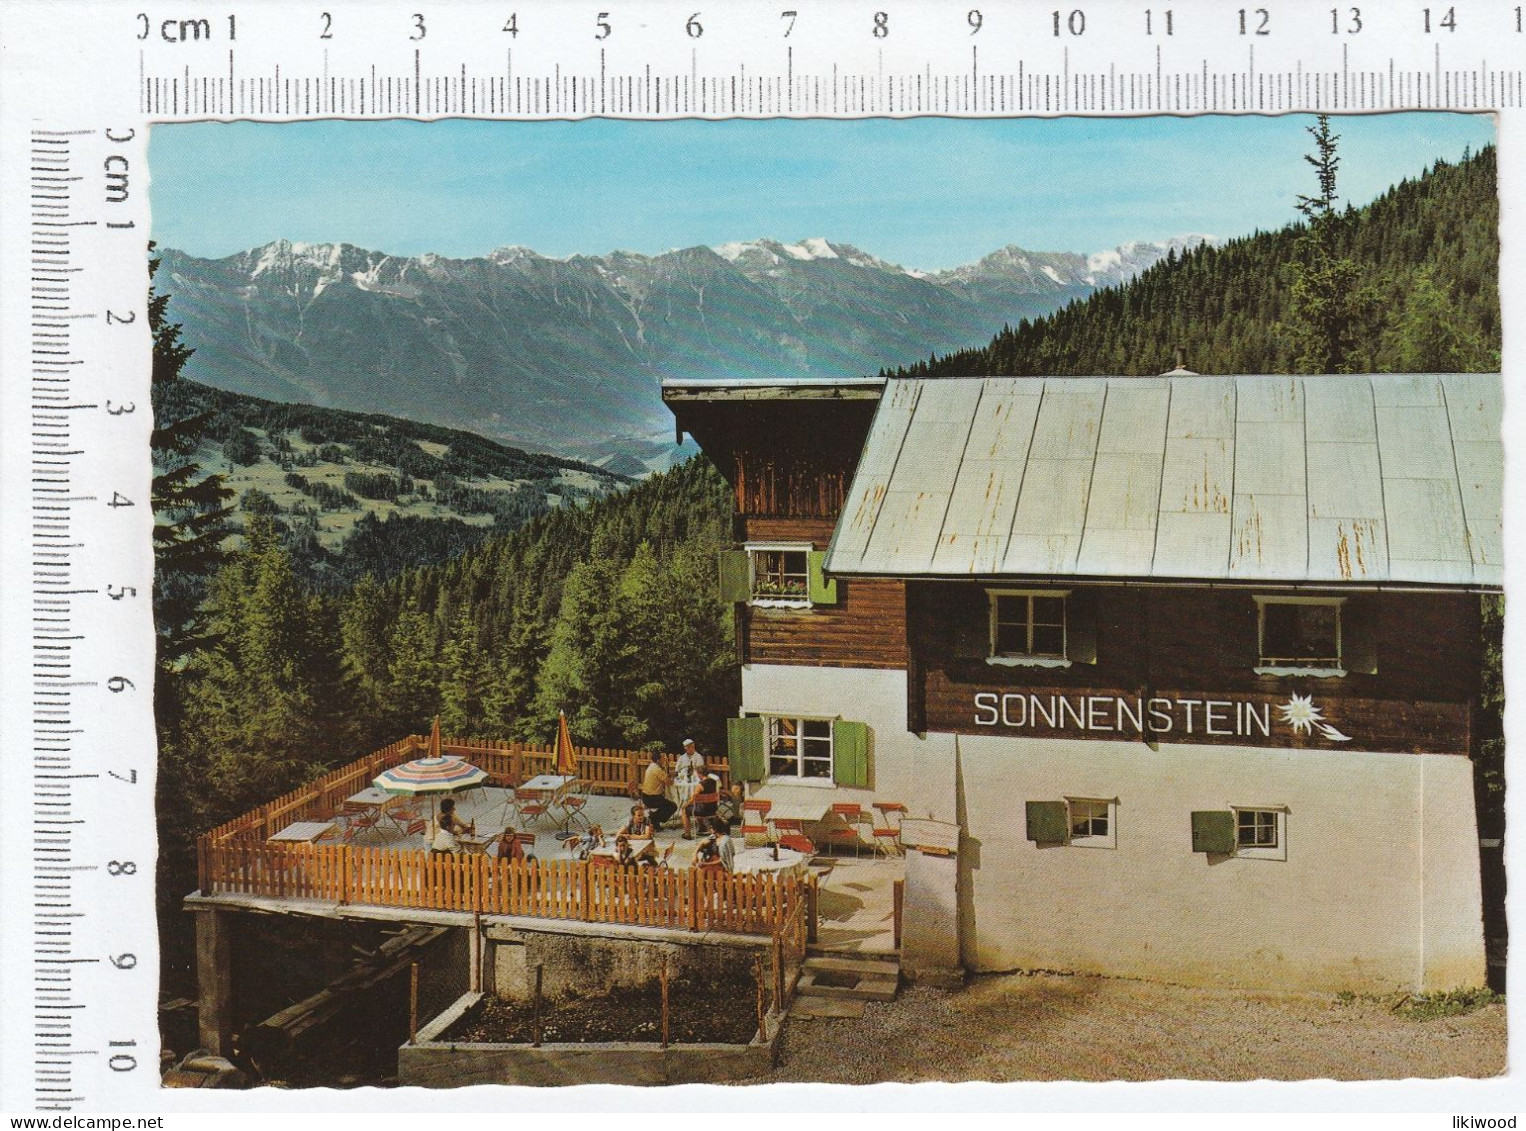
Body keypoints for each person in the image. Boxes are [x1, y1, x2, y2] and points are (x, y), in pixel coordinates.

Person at [639, 750, 677, 829]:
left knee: (665, 804)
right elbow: (669, 782)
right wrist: (673, 776)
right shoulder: (657, 769)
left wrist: (669, 774)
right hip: (652, 798)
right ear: (657, 760)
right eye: (662, 759)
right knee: (672, 806)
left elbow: (662, 777)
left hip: (646, 796)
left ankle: (654, 821)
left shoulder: (651, 766)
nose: (663, 760)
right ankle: (653, 819)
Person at [680, 772, 721, 838]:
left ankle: (687, 834)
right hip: (713, 809)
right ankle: (702, 827)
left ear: (700, 774)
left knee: (685, 810)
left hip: (703, 810)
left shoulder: (700, 785)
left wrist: (685, 805)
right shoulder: (714, 782)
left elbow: (693, 798)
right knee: (697, 806)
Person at [671, 737, 705, 803]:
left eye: (692, 747)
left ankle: (690, 803)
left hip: (695, 777)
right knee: (675, 784)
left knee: (691, 786)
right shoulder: (682, 758)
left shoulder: (698, 757)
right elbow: (677, 769)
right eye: (688, 747)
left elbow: (700, 769)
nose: (691, 749)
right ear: (685, 748)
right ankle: (679, 803)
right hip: (683, 777)